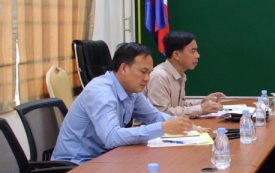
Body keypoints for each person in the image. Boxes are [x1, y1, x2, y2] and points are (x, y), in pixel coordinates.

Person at [52, 43, 194, 165]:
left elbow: (154, 117)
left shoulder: (132, 91)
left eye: (149, 73)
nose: (147, 79)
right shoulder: (101, 91)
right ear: (124, 68)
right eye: (143, 72)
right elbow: (111, 137)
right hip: (75, 165)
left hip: (104, 159)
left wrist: (186, 126)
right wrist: (163, 127)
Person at [146, 31, 225, 117]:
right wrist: (201, 109)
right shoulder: (159, 76)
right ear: (176, 55)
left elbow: (178, 106)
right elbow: (162, 114)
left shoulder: (180, 74)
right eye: (193, 51)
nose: (198, 55)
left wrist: (203, 102)